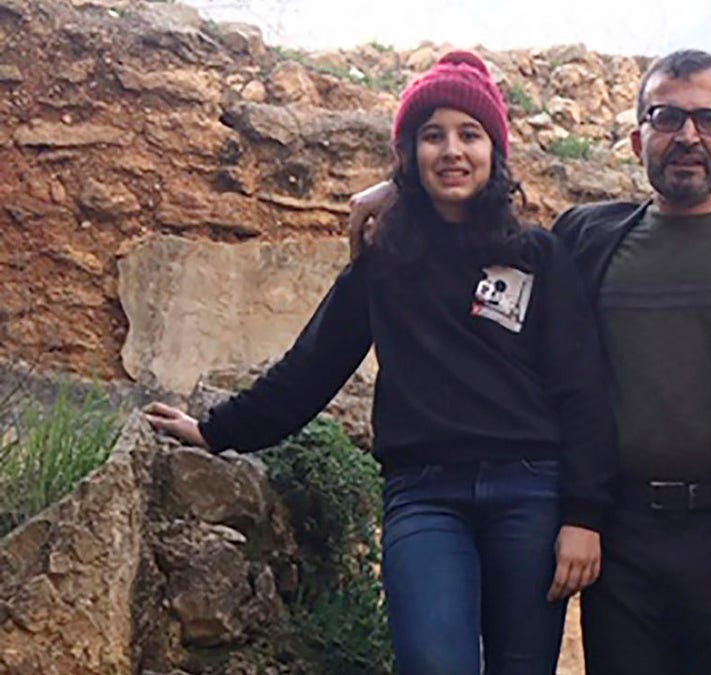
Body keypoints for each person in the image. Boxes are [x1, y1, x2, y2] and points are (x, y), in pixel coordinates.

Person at [348, 49, 711, 675]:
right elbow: (484, 233)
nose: (687, 136)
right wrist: (405, 186)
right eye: (666, 117)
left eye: (709, 119)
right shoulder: (583, 238)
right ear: (636, 137)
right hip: (621, 538)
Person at [145, 51, 617, 675]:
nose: (452, 150)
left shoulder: (538, 255)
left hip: (529, 493)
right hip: (425, 497)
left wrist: (583, 515)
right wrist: (215, 431)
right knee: (432, 663)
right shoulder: (384, 261)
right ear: (409, 155)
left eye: (469, 134)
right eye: (432, 136)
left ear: (494, 151)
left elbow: (583, 388)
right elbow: (312, 366)